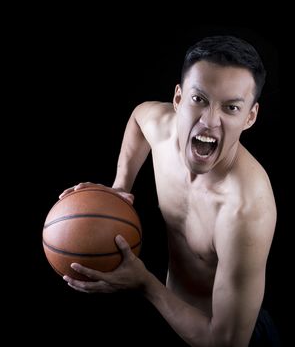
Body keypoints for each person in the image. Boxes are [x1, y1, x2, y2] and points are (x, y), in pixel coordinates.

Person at [60, 35, 280, 347]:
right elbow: (139, 117)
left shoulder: (245, 207)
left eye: (230, 107)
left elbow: (227, 341)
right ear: (178, 99)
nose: (208, 121)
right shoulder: (162, 128)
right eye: (198, 99)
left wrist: (145, 284)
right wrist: (120, 187)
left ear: (250, 117)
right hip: (167, 309)